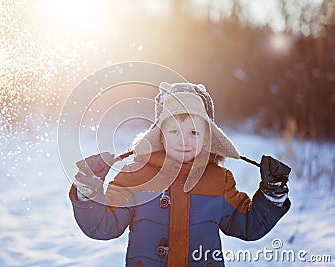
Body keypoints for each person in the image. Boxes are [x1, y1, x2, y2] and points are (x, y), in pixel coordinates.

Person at [69, 82, 291, 267]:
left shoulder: (219, 181)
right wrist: (89, 191)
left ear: (207, 138)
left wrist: (271, 195)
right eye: (174, 131)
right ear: (160, 136)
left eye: (194, 132)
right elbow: (102, 226)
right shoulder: (135, 176)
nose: (184, 140)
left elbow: (247, 226)